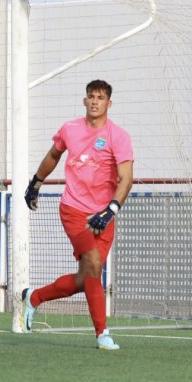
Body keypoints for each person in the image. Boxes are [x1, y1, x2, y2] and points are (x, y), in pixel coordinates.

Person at [21, 79, 133, 350]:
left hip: (104, 215)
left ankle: (34, 297)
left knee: (86, 278)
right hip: (73, 210)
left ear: (109, 103)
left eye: (100, 97)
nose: (95, 101)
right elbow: (52, 155)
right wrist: (35, 182)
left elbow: (126, 179)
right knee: (94, 264)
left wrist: (110, 210)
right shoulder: (69, 129)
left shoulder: (119, 136)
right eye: (91, 96)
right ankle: (102, 334)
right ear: (85, 100)